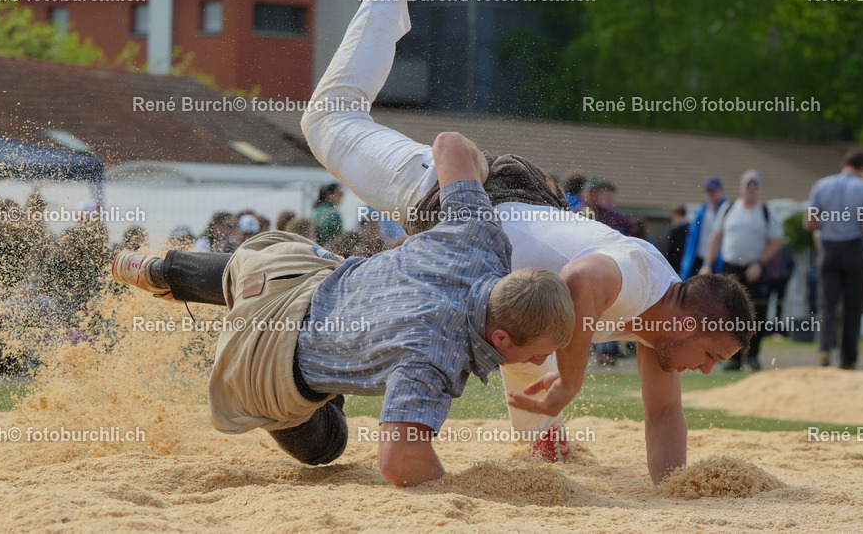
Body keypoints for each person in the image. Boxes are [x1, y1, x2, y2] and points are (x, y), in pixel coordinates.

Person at [297, 0, 754, 483]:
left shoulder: (655, 328)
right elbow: (578, 282)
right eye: (713, 357)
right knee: (328, 118)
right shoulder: (642, 273)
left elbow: (663, 416)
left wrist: (674, 492)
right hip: (455, 198)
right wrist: (570, 382)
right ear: (689, 326)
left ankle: (541, 446)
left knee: (531, 347)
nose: (709, 371)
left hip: (484, 230)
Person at [113, 130, 576, 486]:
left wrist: (479, 173)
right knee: (328, 448)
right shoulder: (435, 361)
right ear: (499, 337)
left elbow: (449, 143)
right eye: (538, 353)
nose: (539, 363)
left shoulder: (479, 237)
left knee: (278, 271)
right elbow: (398, 462)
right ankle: (323, 381)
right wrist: (465, 492)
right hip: (265, 369)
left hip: (285, 284)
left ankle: (166, 270)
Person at [804, 151, 863, 369]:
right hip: (853, 249)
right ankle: (848, 357)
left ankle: (824, 350)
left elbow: (808, 223)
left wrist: (827, 225)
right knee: (853, 305)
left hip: (828, 249)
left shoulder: (822, 185)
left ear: (843, 164)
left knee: (826, 304)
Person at [701, 170, 782, 370]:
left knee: (757, 313)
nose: (751, 190)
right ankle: (733, 356)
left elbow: (776, 242)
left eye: (755, 186)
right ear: (741, 187)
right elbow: (715, 238)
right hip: (731, 268)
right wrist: (708, 264)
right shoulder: (728, 209)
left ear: (760, 189)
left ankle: (753, 355)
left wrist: (760, 263)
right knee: (730, 314)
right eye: (748, 185)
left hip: (755, 268)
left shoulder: (766, 211)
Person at [680, 177, 728, 279]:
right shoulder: (700, 212)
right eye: (709, 191)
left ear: (721, 191)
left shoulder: (728, 210)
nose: (711, 194)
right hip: (699, 258)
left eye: (714, 191)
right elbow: (692, 240)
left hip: (720, 261)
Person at [666, 205, 689, 272]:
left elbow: (670, 249)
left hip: (676, 263)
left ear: (678, 214)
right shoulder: (691, 228)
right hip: (687, 262)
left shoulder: (676, 230)